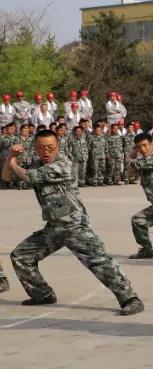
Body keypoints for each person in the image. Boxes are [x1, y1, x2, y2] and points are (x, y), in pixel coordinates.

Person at [2, 130, 145, 314]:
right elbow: (7, 177)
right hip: (54, 227)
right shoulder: (37, 164)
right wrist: (10, 158)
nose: (46, 151)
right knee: (21, 256)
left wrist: (13, 160)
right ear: (35, 149)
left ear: (58, 147)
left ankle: (131, 299)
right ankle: (42, 294)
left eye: (50, 147)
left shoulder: (63, 164)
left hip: (74, 225)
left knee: (99, 261)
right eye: (41, 148)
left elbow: (28, 177)